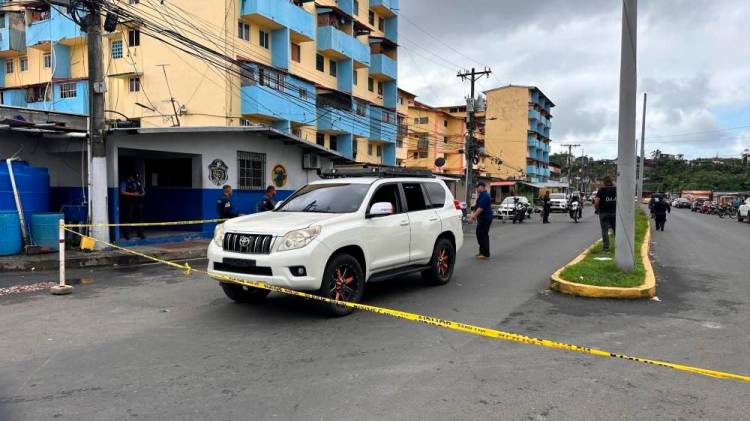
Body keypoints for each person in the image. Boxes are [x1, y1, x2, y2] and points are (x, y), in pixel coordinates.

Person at [468, 181, 493, 259]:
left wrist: (472, 217)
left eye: (477, 187)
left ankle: (485, 254)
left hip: (485, 218)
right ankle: (482, 252)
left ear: (482, 187)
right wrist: (473, 214)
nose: (476, 188)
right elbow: (477, 207)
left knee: (482, 235)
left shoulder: (484, 196)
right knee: (480, 234)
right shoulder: (482, 195)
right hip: (483, 218)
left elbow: (480, 209)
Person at [120, 172, 146, 240]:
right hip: (129, 203)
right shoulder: (125, 182)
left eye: (136, 178)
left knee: (139, 218)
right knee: (128, 218)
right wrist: (133, 194)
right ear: (130, 177)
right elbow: (122, 192)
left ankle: (140, 233)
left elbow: (143, 192)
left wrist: (140, 194)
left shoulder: (139, 182)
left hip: (138, 202)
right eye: (134, 178)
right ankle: (127, 234)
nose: (135, 179)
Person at [594, 176, 617, 252]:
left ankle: (606, 248)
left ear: (604, 182)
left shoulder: (601, 190)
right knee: (616, 230)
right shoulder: (616, 190)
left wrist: (597, 209)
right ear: (611, 182)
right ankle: (619, 246)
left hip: (603, 213)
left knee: (604, 230)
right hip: (614, 213)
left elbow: (596, 202)